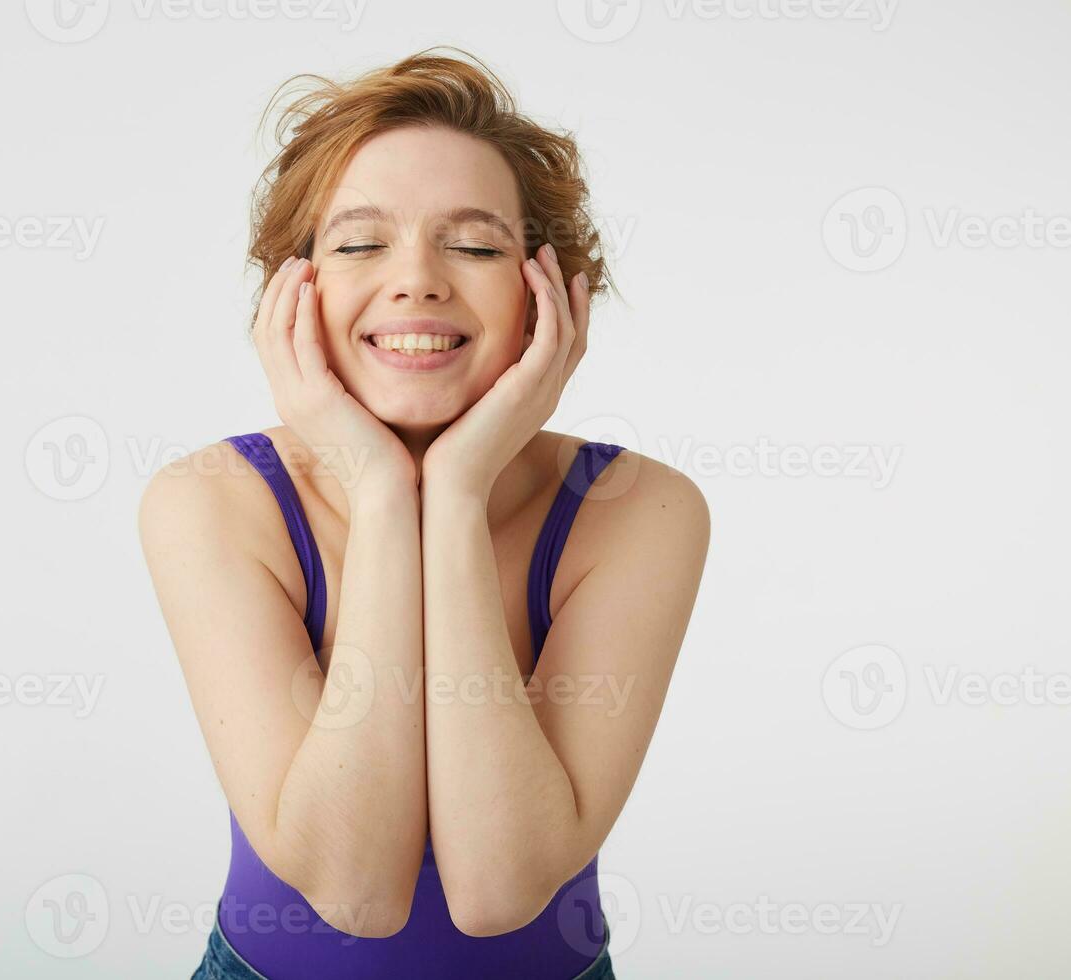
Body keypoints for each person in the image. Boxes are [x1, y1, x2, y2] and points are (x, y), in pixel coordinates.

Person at [139, 47, 710, 980]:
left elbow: (498, 888)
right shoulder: (210, 501)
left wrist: (451, 494)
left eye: (476, 245)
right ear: (296, 291)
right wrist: (378, 490)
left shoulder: (638, 510)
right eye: (361, 242)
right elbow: (353, 887)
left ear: (546, 296)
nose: (417, 281)